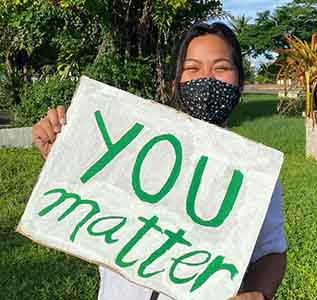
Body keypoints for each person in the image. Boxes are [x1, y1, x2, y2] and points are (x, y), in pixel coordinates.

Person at [31, 22, 287, 300]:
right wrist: (61, 154)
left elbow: (271, 252)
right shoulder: (132, 146)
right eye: (192, 68)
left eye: (222, 68)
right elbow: (87, 203)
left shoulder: (255, 172)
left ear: (239, 83)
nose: (207, 79)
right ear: (175, 82)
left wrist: (258, 294)